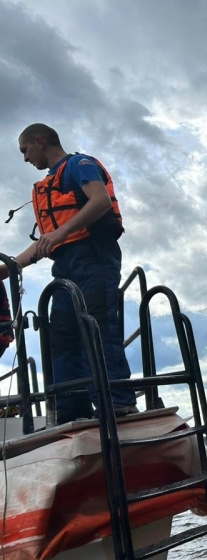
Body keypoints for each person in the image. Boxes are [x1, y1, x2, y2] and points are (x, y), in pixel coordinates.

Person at [1, 123, 136, 423]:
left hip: (94, 259)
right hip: (64, 270)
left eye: (25, 150)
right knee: (60, 337)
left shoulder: (78, 165)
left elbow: (100, 201)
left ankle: (116, 402)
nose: (25, 158)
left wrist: (61, 233)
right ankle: (69, 409)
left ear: (40, 141)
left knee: (97, 328)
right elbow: (44, 245)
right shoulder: (47, 185)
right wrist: (7, 269)